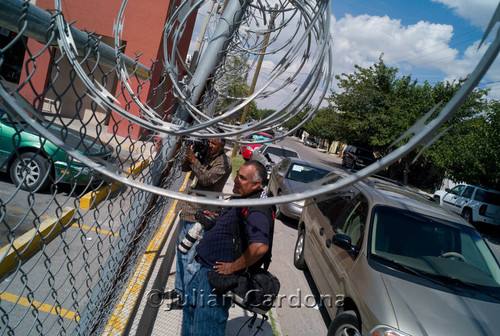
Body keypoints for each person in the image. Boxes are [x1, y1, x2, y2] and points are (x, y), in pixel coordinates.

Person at [181, 160, 274, 336]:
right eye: (237, 175)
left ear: (256, 185)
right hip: (204, 271)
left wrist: (232, 267)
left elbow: (260, 247)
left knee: (207, 328)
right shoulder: (243, 198)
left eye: (242, 178)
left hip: (217, 279)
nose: (237, 180)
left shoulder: (257, 208)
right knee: (190, 312)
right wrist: (216, 219)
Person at [166, 137, 232, 307]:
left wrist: (195, 160)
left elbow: (207, 179)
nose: (209, 146)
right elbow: (184, 168)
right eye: (208, 142)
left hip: (201, 214)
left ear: (222, 146)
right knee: (180, 252)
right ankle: (179, 289)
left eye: (213, 143)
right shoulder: (203, 155)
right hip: (186, 209)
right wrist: (191, 154)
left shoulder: (225, 163)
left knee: (191, 259)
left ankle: (187, 298)